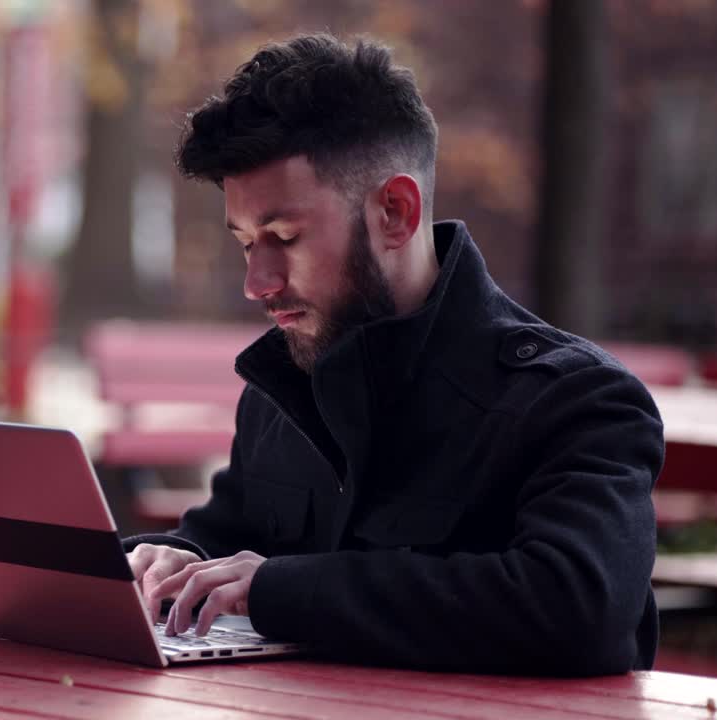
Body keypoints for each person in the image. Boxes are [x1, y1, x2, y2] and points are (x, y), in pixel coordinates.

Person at [123, 33, 663, 676]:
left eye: (285, 236)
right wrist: (172, 558)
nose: (257, 283)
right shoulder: (284, 384)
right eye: (246, 243)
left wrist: (281, 590)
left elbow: (580, 607)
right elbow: (228, 538)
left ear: (395, 212)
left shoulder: (576, 401)